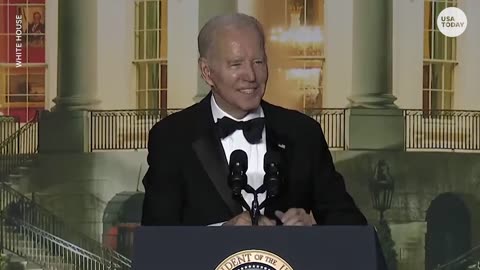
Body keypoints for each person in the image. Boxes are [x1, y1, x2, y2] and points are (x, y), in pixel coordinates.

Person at [141, 13, 367, 226]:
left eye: (258, 62)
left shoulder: (303, 133)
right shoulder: (171, 138)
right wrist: (221, 231)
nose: (251, 76)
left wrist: (313, 228)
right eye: (236, 64)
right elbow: (157, 236)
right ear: (207, 72)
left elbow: (352, 225)